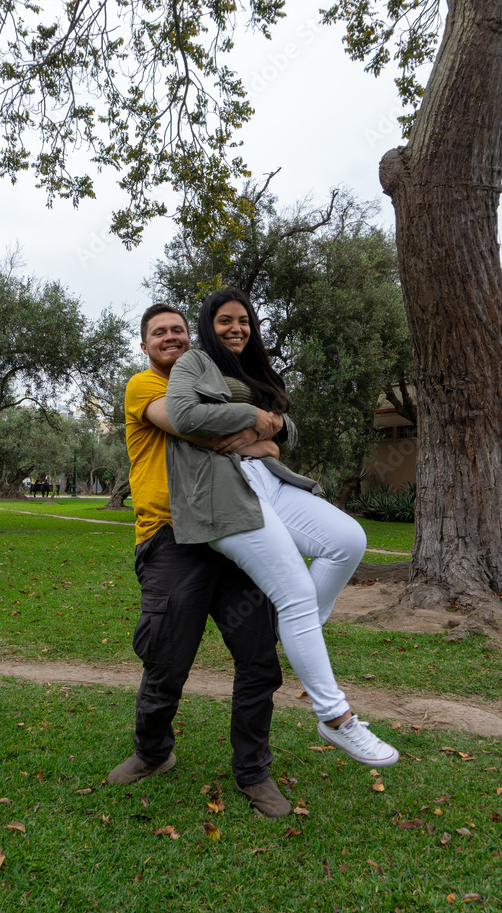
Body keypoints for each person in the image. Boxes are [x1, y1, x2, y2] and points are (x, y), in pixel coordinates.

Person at [164, 288, 399, 767]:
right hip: (223, 491)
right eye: (225, 320)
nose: (236, 328)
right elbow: (184, 415)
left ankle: (299, 629)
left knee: (348, 540)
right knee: (295, 594)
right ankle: (336, 718)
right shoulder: (195, 362)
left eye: (244, 320)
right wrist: (254, 417)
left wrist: (264, 435)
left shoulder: (255, 368)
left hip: (269, 480)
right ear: (209, 324)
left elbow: (288, 426)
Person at [107, 304, 294, 818]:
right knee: (166, 658)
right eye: (159, 332)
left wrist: (270, 439)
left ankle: (253, 772)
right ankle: (152, 753)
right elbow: (193, 426)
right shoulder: (144, 385)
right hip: (170, 539)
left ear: (191, 339)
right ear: (144, 345)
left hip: (234, 534)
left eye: (179, 330)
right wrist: (261, 433)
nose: (170, 337)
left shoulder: (217, 382)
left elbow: (273, 433)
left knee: (259, 659)